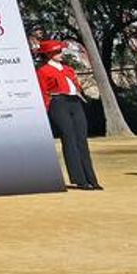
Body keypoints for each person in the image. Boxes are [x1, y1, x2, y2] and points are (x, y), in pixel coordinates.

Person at [36, 40, 101, 190]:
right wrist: (46, 110)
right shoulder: (43, 71)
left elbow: (76, 86)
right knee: (69, 139)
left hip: (75, 102)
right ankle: (80, 179)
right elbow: (43, 92)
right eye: (57, 52)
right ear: (49, 54)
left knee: (82, 140)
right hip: (58, 103)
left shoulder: (68, 69)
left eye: (60, 51)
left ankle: (92, 178)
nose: (60, 54)